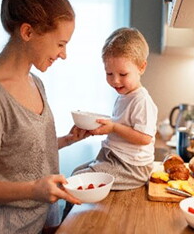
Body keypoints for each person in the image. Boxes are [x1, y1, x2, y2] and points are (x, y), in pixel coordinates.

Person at [0, 0, 89, 233]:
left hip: (43, 220)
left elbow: (19, 156)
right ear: (28, 32)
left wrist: (66, 140)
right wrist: (34, 190)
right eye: (60, 44)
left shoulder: (36, 83)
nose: (64, 54)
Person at [62, 27, 158, 218]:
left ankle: (65, 226)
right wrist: (104, 126)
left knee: (76, 181)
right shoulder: (124, 95)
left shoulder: (142, 100)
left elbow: (145, 138)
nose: (115, 81)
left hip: (131, 168)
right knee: (75, 173)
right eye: (109, 73)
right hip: (114, 158)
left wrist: (113, 127)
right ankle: (63, 223)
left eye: (123, 74)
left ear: (141, 67)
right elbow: (122, 126)